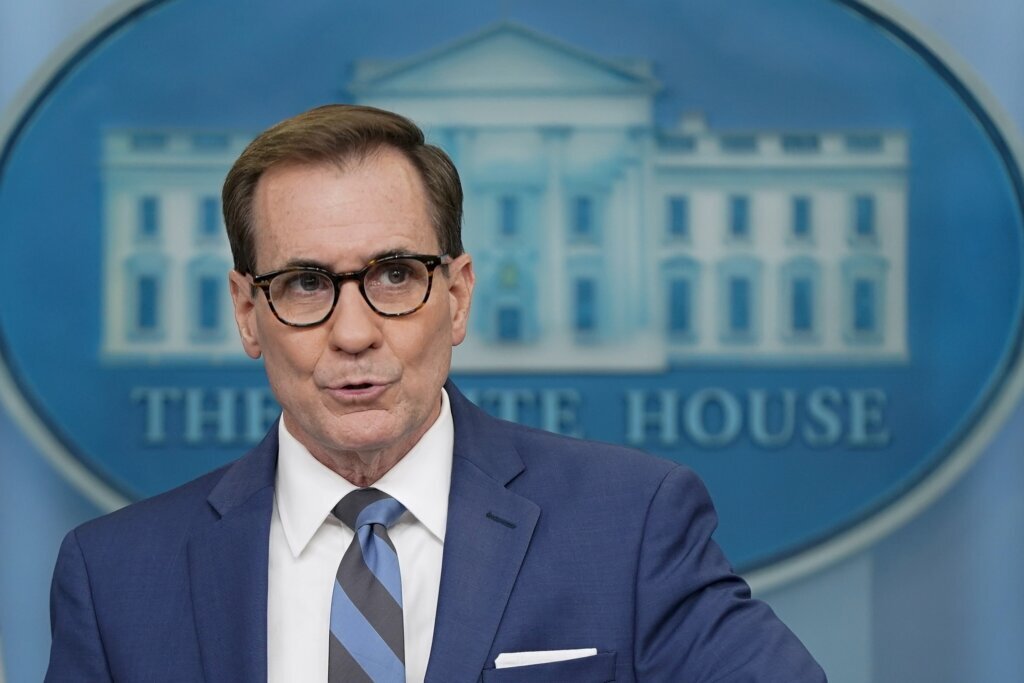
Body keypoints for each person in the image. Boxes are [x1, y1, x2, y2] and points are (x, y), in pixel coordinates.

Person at [45, 104, 826, 682]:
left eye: (394, 275)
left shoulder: (631, 526)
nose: (354, 332)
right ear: (249, 313)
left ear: (457, 296)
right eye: (306, 283)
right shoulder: (114, 577)